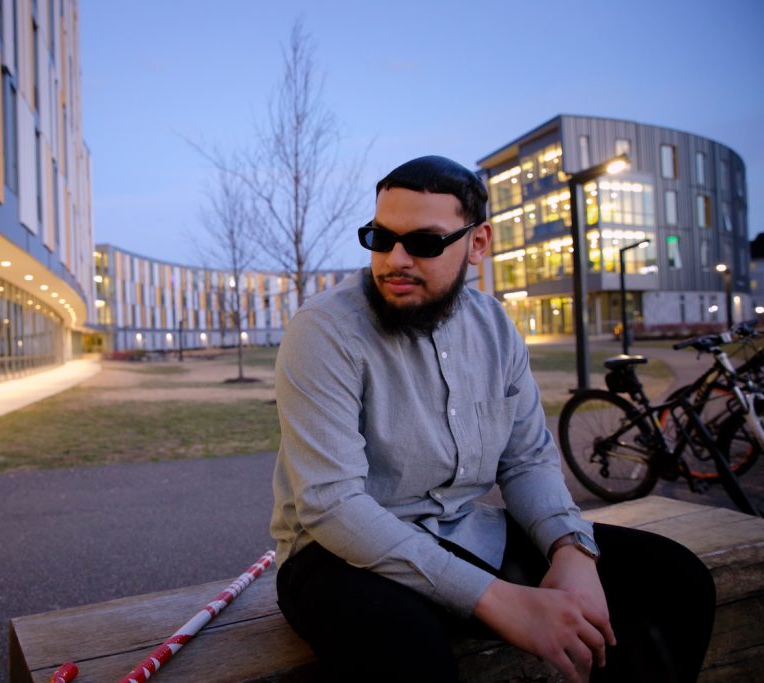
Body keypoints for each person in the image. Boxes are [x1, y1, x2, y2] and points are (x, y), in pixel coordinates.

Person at [270, 155, 716, 682]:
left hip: (466, 531)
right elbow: (333, 506)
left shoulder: (496, 328)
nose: (394, 260)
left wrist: (570, 549)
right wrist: (498, 600)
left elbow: (527, 461)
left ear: (477, 243)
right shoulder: (324, 330)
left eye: (424, 243)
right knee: (410, 657)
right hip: (336, 557)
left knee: (677, 579)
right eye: (380, 238)